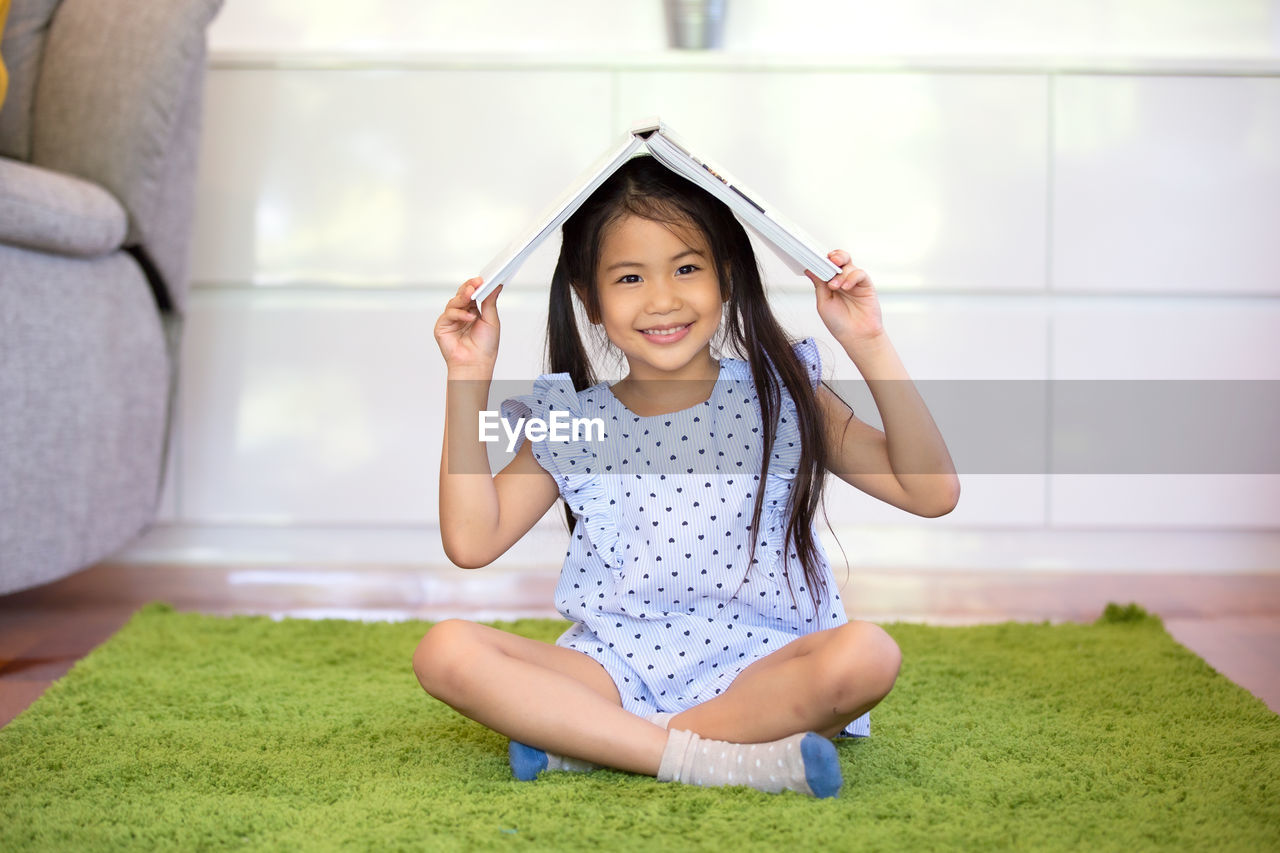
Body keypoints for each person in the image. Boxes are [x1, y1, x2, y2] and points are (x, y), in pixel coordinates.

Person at [416, 156, 958, 798]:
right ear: (589, 299)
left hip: (763, 668)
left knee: (867, 654)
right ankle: (711, 758)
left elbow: (931, 492)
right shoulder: (574, 421)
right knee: (445, 650)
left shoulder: (782, 395)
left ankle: (598, 742)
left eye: (686, 268)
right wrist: (467, 374)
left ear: (726, 277)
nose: (662, 299)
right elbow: (472, 542)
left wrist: (868, 341)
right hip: (613, 671)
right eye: (628, 277)